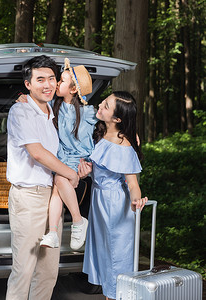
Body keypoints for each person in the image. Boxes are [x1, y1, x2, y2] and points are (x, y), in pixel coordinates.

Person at [6, 55, 79, 300]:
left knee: (48, 272)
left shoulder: (51, 111)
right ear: (28, 84)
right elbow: (37, 153)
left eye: (51, 79)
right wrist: (69, 173)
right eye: (40, 80)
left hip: (52, 198)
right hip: (28, 198)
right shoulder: (21, 111)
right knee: (24, 270)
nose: (47, 85)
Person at [16, 58, 95, 250]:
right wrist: (21, 97)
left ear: (73, 89)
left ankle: (77, 221)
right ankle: (53, 232)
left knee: (59, 181)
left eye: (61, 81)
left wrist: (128, 132)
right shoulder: (54, 106)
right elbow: (35, 102)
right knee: (56, 191)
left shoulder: (89, 112)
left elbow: (109, 127)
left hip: (79, 161)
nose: (56, 84)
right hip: (62, 159)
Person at [79, 91, 148, 300]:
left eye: (106, 106)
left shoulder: (124, 145)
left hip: (115, 205)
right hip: (99, 202)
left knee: (117, 259)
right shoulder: (100, 131)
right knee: (104, 256)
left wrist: (137, 200)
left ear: (117, 119)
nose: (100, 105)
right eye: (104, 101)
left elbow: (133, 183)